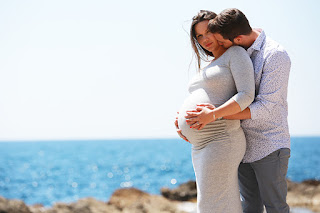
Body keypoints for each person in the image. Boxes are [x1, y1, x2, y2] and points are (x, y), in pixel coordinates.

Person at [184, 8, 291, 213]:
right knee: (250, 208)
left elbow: (266, 107)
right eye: (201, 36)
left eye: (220, 41)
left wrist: (213, 115)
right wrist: (189, 118)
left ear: (237, 38)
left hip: (267, 143)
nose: (213, 43)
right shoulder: (236, 51)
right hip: (243, 144)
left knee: (275, 207)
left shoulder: (274, 55)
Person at [176, 10, 255, 213]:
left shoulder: (235, 55)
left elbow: (246, 95)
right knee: (213, 201)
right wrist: (181, 120)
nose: (204, 39)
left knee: (213, 202)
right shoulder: (210, 64)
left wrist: (212, 114)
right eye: (199, 36)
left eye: (208, 32)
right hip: (201, 144)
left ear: (220, 29)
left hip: (221, 138)